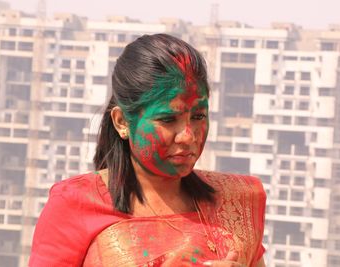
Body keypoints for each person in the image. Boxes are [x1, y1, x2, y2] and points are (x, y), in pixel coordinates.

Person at [29, 33, 266, 267]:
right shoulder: (76, 203)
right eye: (167, 120)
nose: (188, 136)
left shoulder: (236, 201)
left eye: (198, 116)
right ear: (122, 122)